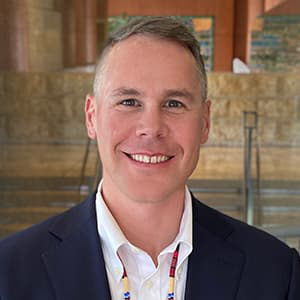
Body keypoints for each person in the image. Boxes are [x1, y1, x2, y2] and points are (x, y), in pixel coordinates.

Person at [0, 16, 299, 300]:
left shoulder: (275, 271)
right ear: (92, 117)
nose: (151, 128)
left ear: (205, 122)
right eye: (129, 101)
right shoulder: (10, 271)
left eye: (174, 103)